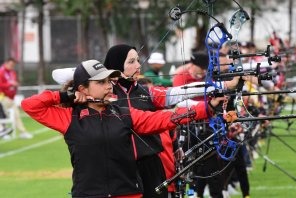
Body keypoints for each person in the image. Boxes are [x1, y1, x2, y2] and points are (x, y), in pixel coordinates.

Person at [22, 59, 221, 198]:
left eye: (109, 81)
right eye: (101, 82)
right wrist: (65, 96)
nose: (109, 86)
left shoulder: (125, 113)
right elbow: (30, 105)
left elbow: (165, 118)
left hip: (128, 193)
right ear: (82, 89)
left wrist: (208, 108)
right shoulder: (69, 117)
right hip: (88, 194)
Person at [0, 58, 33, 139]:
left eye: (13, 65)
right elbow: (1, 85)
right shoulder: (1, 72)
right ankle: (3, 132)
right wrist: (10, 84)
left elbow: (14, 82)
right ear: (6, 63)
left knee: (16, 115)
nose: (12, 66)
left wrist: (15, 85)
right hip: (3, 97)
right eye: (10, 65)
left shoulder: (12, 72)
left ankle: (22, 132)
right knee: (3, 116)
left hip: (11, 98)